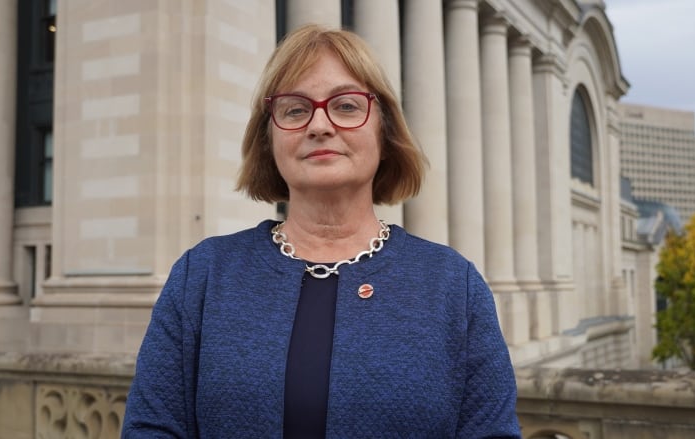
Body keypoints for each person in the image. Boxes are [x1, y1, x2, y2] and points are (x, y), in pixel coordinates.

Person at [122, 24, 521, 438]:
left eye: (346, 106)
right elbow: (152, 429)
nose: (319, 125)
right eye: (295, 109)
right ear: (269, 140)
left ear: (384, 132)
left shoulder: (453, 285)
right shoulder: (202, 275)